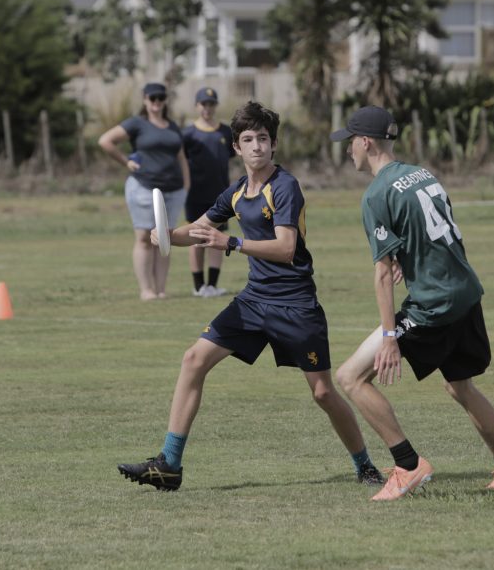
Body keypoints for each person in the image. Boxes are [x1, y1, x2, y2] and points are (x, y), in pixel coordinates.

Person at [118, 101, 382, 491]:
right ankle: (169, 464)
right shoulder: (238, 191)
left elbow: (286, 247)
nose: (256, 145)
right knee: (193, 360)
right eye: (247, 139)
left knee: (324, 393)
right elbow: (203, 227)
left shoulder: (285, 187)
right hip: (254, 301)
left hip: (295, 304)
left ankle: (365, 465)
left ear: (273, 145)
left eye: (263, 138)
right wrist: (167, 234)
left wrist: (232, 243)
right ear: (237, 148)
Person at [331, 105, 494, 502]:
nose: (348, 149)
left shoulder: (376, 194)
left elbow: (383, 273)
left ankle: (407, 465)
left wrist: (390, 336)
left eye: (351, 141)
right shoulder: (422, 174)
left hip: (433, 305)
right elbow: (439, 233)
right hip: (466, 293)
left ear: (366, 142)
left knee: (350, 377)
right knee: (460, 388)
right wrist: (413, 260)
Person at [99, 82, 190, 301]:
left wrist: (187, 185)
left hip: (173, 188)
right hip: (144, 186)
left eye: (160, 98)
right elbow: (105, 141)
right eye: (152, 98)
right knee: (143, 237)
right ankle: (146, 290)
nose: (156, 102)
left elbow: (181, 156)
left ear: (165, 100)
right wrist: (126, 161)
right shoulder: (137, 123)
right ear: (145, 100)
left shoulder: (172, 126)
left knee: (166, 238)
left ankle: (160, 289)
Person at [182, 87, 235, 297]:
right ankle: (198, 286)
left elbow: (230, 155)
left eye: (211, 104)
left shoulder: (225, 131)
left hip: (219, 194)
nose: (208, 108)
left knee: (216, 237)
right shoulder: (188, 133)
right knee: (195, 238)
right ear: (197, 106)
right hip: (194, 194)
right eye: (204, 104)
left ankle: (212, 285)